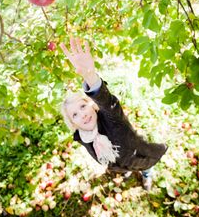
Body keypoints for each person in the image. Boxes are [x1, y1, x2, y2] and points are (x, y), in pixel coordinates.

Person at [60, 37, 168, 191]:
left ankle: (146, 174)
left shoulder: (111, 117)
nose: (82, 115)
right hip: (120, 166)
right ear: (73, 123)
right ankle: (128, 171)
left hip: (139, 155)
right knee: (126, 168)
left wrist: (90, 76)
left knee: (145, 166)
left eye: (83, 106)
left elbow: (106, 101)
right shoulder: (83, 136)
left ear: (92, 105)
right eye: (75, 115)